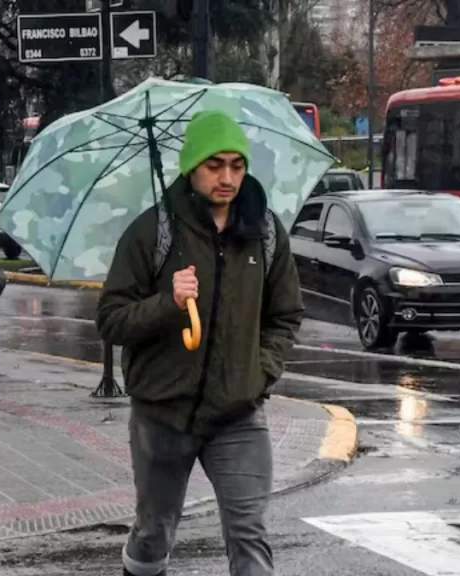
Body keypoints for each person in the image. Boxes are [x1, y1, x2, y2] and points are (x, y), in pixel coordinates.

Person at [95, 111, 304, 576]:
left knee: (249, 533)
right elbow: (110, 321)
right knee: (153, 534)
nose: (227, 177)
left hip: (238, 414)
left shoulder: (265, 233)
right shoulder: (153, 232)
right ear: (191, 167)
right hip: (162, 415)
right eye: (214, 166)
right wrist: (166, 302)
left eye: (236, 165)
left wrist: (260, 372)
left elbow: (285, 316)